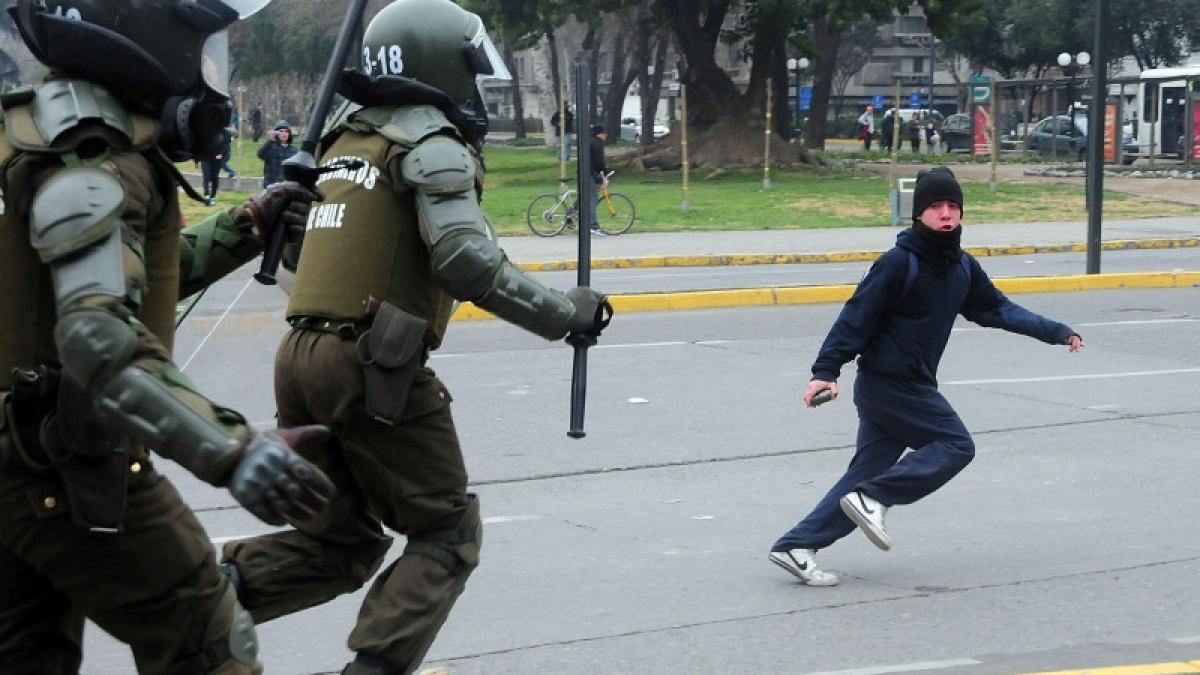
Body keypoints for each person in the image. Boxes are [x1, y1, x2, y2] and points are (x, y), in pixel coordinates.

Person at [218, 1, 611, 674]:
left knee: (338, 541)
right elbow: (465, 260)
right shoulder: (428, 142)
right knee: (446, 531)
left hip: (301, 355)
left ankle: (205, 600)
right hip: (375, 361)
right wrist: (565, 313)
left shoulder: (342, 145)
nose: (476, 91)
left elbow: (296, 261)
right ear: (438, 65)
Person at [0, 1, 338, 673]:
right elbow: (95, 331)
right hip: (63, 466)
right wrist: (232, 448)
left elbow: (115, 281)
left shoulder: (47, 123)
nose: (210, 76)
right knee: (210, 642)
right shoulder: (97, 150)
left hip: (21, 459)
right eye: (207, 52)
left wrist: (246, 225)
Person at [768, 166, 1083, 586]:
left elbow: (999, 310)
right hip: (890, 385)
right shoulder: (899, 263)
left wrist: (1056, 332)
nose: (946, 214)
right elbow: (856, 316)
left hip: (904, 386)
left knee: (862, 476)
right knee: (955, 445)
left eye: (953, 206)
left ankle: (796, 545)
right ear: (919, 214)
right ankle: (873, 498)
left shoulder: (962, 267)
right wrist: (825, 371)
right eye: (936, 206)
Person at [258, 119, 298, 187]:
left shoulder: (293, 149)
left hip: (287, 186)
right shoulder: (270, 146)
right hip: (271, 186)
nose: (284, 134)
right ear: (276, 133)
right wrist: (269, 141)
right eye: (281, 131)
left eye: (286, 131)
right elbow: (260, 155)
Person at [200, 127, 232, 205]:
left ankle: (213, 196)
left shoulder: (225, 133)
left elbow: (226, 146)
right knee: (206, 176)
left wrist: (221, 154)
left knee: (214, 177)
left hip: (217, 159)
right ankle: (206, 195)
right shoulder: (206, 130)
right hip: (206, 157)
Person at [587, 123, 610, 234]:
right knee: (593, 199)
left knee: (585, 197)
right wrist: (605, 173)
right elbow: (599, 161)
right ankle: (593, 225)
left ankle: (570, 214)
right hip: (588, 174)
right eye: (604, 133)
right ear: (600, 134)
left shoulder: (591, 141)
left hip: (586, 172)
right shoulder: (597, 143)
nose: (606, 135)